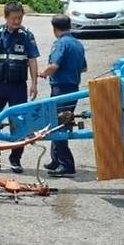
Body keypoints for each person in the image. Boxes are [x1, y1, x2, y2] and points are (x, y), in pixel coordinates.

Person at [0, 1, 39, 173]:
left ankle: (15, 160)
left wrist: (34, 83)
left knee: (18, 124)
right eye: (14, 18)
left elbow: (32, 60)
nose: (17, 21)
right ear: (6, 17)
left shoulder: (27, 36)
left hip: (17, 87)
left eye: (20, 18)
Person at [38, 14, 87, 177]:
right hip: (73, 86)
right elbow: (83, 68)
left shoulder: (61, 44)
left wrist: (42, 73)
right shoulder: (77, 44)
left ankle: (66, 164)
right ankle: (56, 160)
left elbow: (54, 66)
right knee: (58, 122)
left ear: (54, 28)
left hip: (61, 88)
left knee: (59, 124)